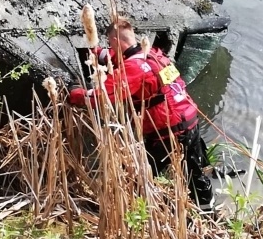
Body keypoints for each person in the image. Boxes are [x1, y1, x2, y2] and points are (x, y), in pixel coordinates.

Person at [67, 17, 215, 212]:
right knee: (195, 172)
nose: (109, 48)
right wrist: (97, 53)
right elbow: (120, 57)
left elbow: (101, 97)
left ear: (116, 42)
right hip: (189, 119)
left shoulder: (133, 69)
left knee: (141, 172)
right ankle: (207, 210)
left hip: (167, 131)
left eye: (110, 43)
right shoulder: (154, 55)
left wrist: (75, 93)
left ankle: (129, 210)